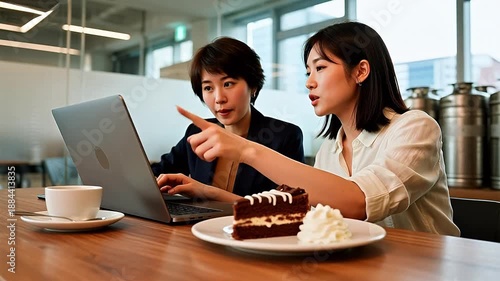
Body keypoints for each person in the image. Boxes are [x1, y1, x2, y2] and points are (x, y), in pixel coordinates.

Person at [163, 22, 460, 236]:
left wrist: (246, 149)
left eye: (320, 68)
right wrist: (207, 193)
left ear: (361, 71)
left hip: (422, 268)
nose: (309, 82)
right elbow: (293, 216)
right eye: (308, 71)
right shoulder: (330, 149)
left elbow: (358, 202)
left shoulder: (415, 128)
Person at [152, 37, 305, 202]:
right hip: (194, 227)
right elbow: (156, 173)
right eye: (208, 88)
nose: (219, 98)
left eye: (228, 84)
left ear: (253, 86)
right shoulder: (197, 131)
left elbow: (289, 205)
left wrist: (208, 192)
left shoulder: (284, 136)